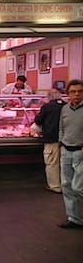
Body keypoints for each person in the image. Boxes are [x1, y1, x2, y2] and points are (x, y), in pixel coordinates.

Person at [57, 79, 83, 229]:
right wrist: (61, 143)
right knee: (66, 186)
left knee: (78, 187)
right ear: (68, 94)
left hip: (80, 151)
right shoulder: (65, 109)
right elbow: (61, 127)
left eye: (80, 91)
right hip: (66, 151)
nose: (76, 94)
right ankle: (74, 218)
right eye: (73, 92)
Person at [34, 89, 66, 194]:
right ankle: (65, 185)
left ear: (49, 97)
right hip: (66, 141)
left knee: (52, 163)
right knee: (64, 164)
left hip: (51, 139)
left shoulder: (47, 107)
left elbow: (38, 120)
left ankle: (55, 186)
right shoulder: (67, 106)